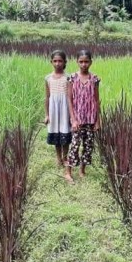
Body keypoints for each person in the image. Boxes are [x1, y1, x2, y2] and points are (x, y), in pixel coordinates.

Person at [65, 49, 101, 183]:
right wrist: (73, 119)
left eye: (86, 62)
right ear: (77, 62)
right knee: (74, 145)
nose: (84, 64)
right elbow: (69, 98)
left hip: (90, 119)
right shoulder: (72, 78)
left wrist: (98, 120)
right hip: (77, 119)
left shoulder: (94, 79)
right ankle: (68, 172)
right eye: (81, 62)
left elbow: (97, 100)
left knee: (88, 145)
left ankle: (82, 170)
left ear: (91, 62)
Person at [44, 50, 72, 167]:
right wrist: (46, 114)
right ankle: (58, 158)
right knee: (56, 133)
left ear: (65, 62)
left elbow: (71, 97)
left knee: (65, 131)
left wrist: (72, 115)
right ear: (51, 62)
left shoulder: (69, 77)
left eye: (60, 61)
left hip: (65, 109)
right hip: (53, 110)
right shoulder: (48, 78)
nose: (57, 63)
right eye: (55, 61)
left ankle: (65, 157)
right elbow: (47, 97)